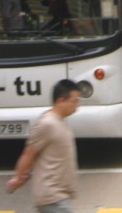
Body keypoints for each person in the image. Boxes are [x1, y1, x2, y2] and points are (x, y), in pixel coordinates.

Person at [6, 79, 81, 213]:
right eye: (74, 101)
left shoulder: (59, 122)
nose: (77, 105)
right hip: (53, 197)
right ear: (60, 101)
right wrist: (19, 177)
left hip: (58, 197)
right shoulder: (47, 124)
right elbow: (29, 153)